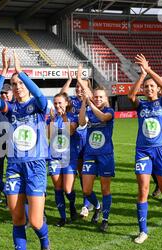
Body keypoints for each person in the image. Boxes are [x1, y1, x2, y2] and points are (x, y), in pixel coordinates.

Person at [0, 48, 51, 250]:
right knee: (17, 219)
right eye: (14, 84)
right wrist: (4, 73)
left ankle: (45, 242)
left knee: (35, 221)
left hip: (35, 166)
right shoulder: (11, 109)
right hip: (15, 167)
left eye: (20, 83)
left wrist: (20, 72)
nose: (17, 87)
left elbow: (41, 96)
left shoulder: (37, 106)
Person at [127, 54, 162, 244]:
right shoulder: (141, 105)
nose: (149, 89)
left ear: (156, 89)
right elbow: (131, 96)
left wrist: (149, 70)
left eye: (152, 86)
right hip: (143, 150)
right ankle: (143, 231)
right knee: (143, 190)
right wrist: (142, 77)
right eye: (146, 87)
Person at [78, 84, 115, 232]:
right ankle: (97, 207)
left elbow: (103, 117)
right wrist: (84, 103)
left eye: (101, 97)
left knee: (105, 189)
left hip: (105, 155)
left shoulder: (109, 111)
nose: (98, 98)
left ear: (106, 99)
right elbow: (81, 122)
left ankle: (105, 219)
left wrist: (91, 104)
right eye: (96, 96)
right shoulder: (89, 111)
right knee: (86, 190)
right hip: (90, 154)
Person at [60, 67, 89, 219]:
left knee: (85, 174)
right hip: (74, 141)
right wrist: (70, 80)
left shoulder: (89, 101)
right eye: (76, 87)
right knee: (78, 172)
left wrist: (80, 79)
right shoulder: (71, 103)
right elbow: (62, 95)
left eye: (81, 87)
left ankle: (86, 205)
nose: (78, 89)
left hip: (87, 142)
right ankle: (80, 204)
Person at [47, 93, 79, 227]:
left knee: (68, 189)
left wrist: (64, 116)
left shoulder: (73, 116)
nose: (57, 106)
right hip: (54, 156)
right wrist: (53, 120)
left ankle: (72, 205)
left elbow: (71, 131)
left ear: (66, 103)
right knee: (58, 187)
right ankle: (62, 217)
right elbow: (48, 136)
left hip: (69, 157)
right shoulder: (52, 119)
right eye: (55, 103)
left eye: (60, 103)